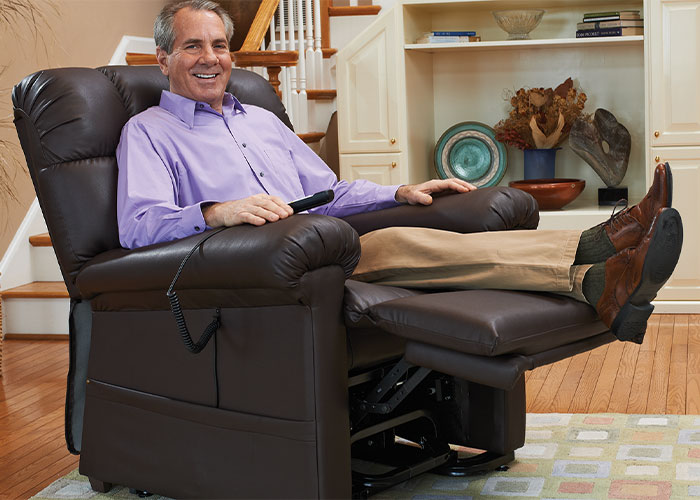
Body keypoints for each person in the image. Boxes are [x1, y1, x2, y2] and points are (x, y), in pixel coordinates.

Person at [116, 0, 683, 344]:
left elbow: (329, 192)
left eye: (220, 45)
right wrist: (217, 211)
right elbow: (137, 226)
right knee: (395, 243)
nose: (211, 58)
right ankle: (602, 253)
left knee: (420, 226)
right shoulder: (148, 132)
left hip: (313, 239)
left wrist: (402, 189)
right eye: (193, 47)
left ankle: (602, 269)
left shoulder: (262, 119)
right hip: (251, 260)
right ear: (162, 58)